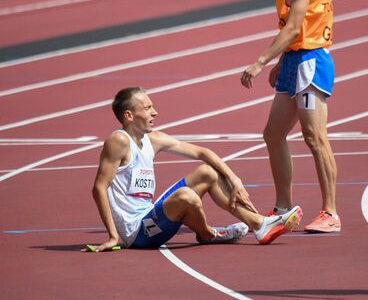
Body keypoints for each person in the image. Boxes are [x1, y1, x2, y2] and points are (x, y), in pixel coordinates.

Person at [89, 87, 303, 252]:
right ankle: (209, 234)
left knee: (207, 172)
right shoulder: (118, 141)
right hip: (135, 232)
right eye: (147, 108)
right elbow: (99, 188)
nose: (155, 112)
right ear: (129, 115)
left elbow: (203, 153)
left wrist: (234, 179)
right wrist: (114, 236)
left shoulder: (152, 139)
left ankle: (258, 225)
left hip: (148, 214)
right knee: (186, 195)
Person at [240, 0, 340, 233]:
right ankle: (283, 208)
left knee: (314, 137)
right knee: (273, 133)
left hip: (311, 61)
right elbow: (293, 28)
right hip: (294, 60)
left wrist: (260, 62)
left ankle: (331, 213)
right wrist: (282, 61)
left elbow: (295, 27)